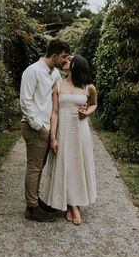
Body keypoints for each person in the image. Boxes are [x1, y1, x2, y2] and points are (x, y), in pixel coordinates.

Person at [20, 38, 70, 222]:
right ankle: (32, 209)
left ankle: (34, 200)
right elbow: (25, 101)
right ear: (54, 54)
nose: (65, 60)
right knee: (34, 168)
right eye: (63, 57)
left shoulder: (55, 73)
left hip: (46, 128)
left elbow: (62, 92)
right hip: (34, 127)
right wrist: (39, 127)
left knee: (39, 166)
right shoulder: (32, 71)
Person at [45, 55, 97, 225]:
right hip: (63, 131)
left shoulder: (88, 87)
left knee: (77, 166)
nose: (66, 60)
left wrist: (87, 112)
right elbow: (55, 112)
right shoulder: (58, 85)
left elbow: (94, 104)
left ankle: (73, 204)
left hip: (80, 131)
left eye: (71, 60)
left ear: (78, 66)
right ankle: (73, 205)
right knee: (65, 166)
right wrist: (52, 137)